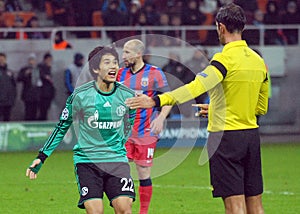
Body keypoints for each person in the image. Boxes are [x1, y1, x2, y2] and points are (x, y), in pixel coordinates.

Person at [125, 3, 269, 214]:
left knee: (235, 206)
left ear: (220, 27)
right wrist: (215, 110)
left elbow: (197, 86)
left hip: (225, 138)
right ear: (243, 27)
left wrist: (157, 101)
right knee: (256, 205)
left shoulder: (223, 59)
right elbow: (260, 107)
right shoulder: (259, 61)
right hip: (250, 137)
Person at [26, 46, 137, 214]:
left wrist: (120, 144)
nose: (114, 66)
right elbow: (62, 126)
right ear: (95, 68)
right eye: (107, 62)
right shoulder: (80, 96)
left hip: (116, 161)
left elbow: (130, 122)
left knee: (124, 209)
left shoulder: (127, 95)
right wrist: (42, 157)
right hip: (87, 163)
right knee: (95, 212)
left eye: (115, 62)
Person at [117, 39, 172, 214]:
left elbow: (168, 98)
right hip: (124, 132)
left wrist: (161, 117)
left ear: (138, 54)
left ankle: (143, 212)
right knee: (120, 171)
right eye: (123, 52)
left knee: (143, 172)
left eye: (127, 52)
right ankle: (125, 209)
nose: (123, 56)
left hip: (146, 131)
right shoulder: (120, 75)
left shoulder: (154, 73)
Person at [17, 53, 42, 121]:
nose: (32, 61)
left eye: (33, 60)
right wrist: (25, 74)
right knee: (28, 111)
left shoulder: (38, 69)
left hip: (36, 94)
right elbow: (18, 79)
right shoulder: (24, 69)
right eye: (30, 60)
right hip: (27, 94)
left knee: (35, 111)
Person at [37, 52, 56, 120]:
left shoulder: (49, 68)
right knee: (42, 110)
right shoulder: (41, 67)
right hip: (42, 93)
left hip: (48, 93)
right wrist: (46, 77)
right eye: (48, 59)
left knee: (46, 110)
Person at [0, 52, 17, 121]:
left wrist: (13, 98)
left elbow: (14, 86)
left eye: (2, 59)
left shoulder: (10, 72)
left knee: (7, 118)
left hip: (8, 101)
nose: (1, 61)